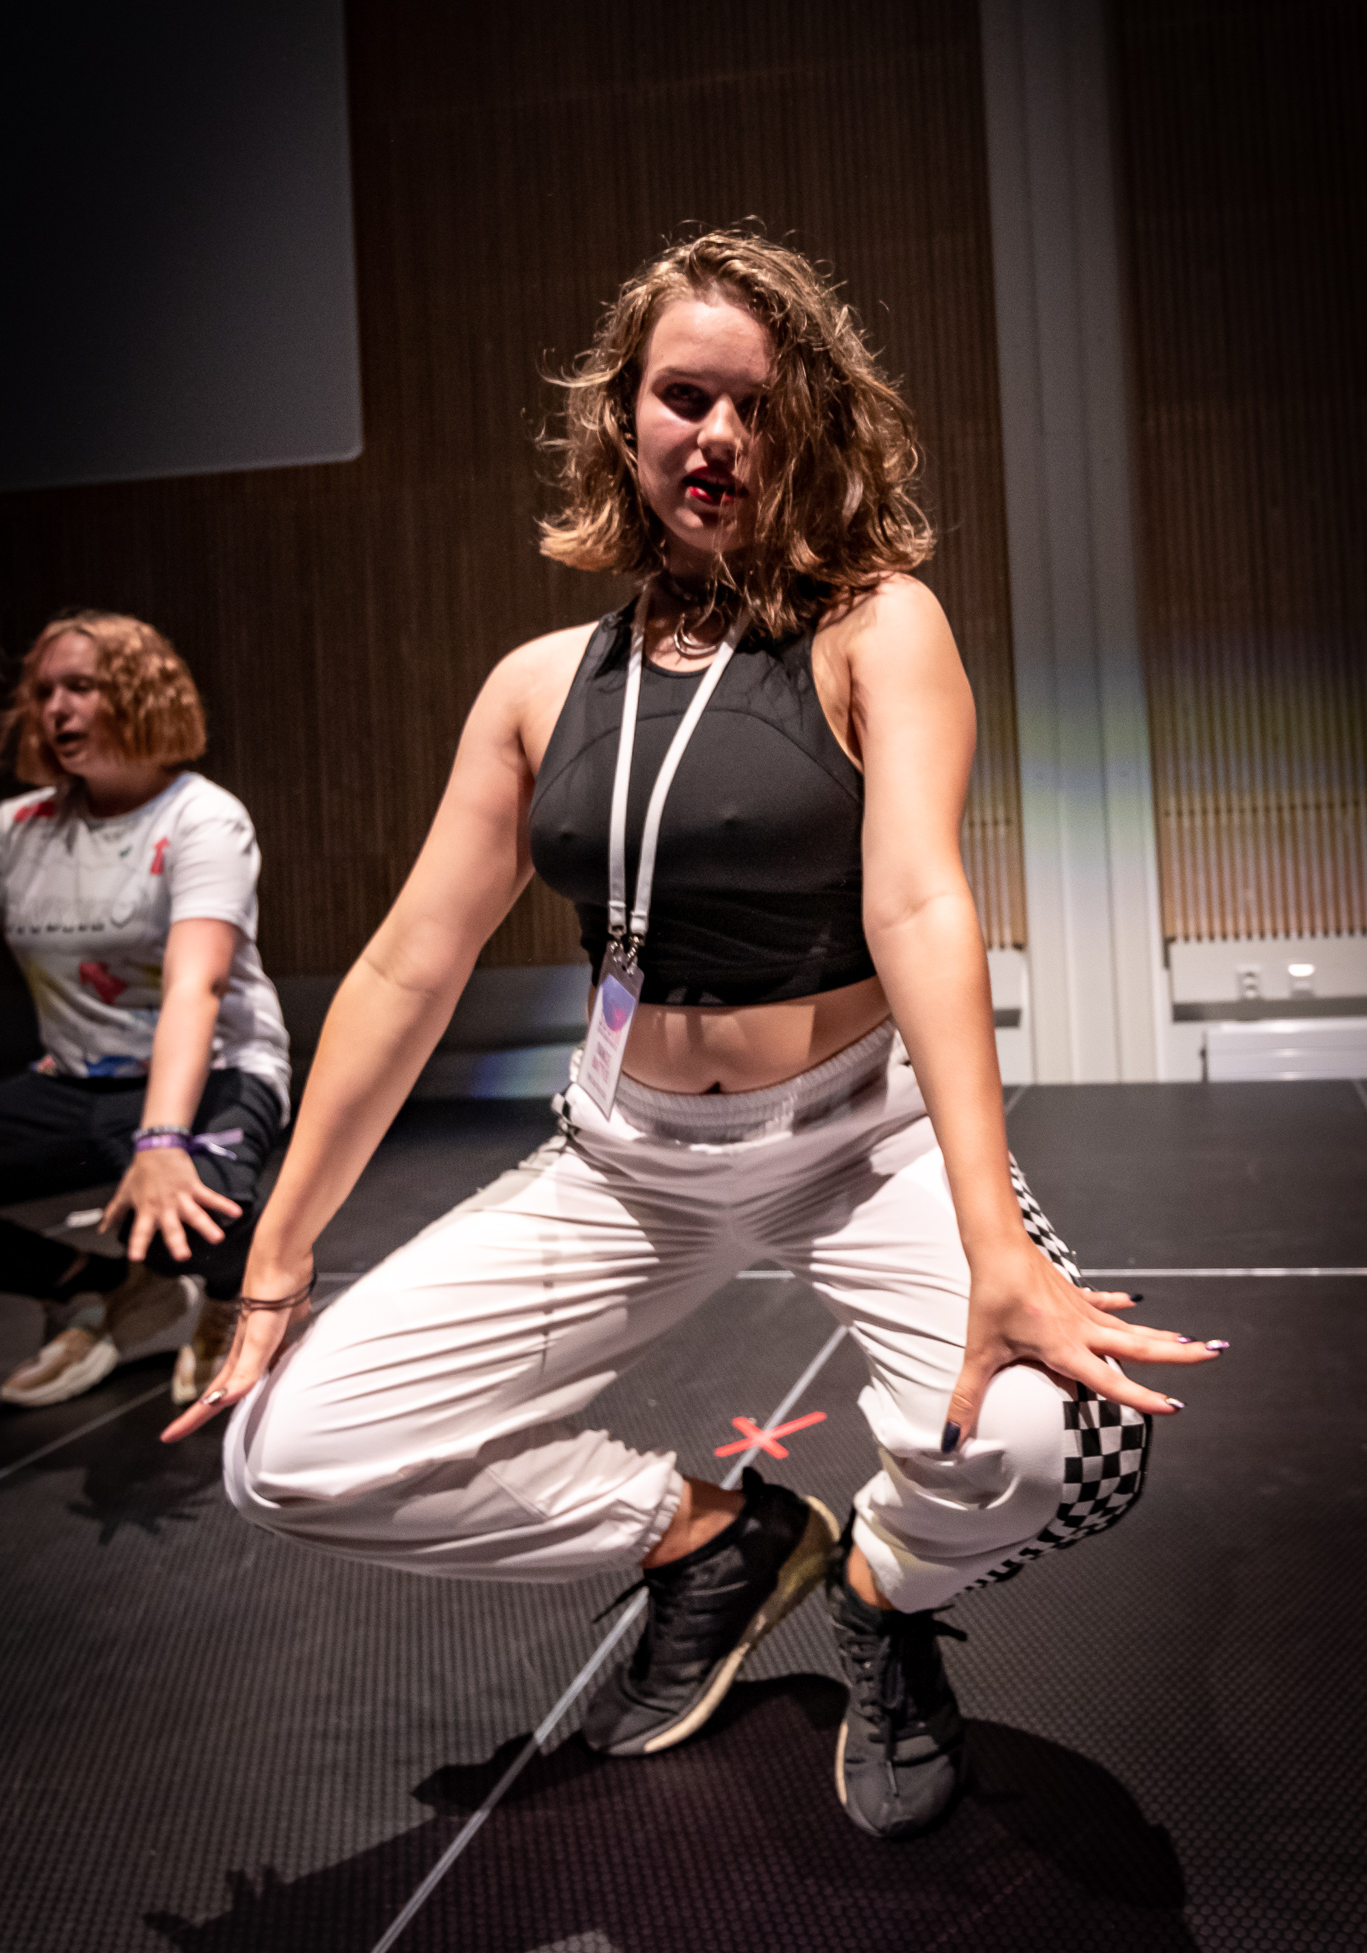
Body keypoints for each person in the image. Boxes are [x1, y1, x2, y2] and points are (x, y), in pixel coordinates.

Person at [166, 232, 1222, 1839]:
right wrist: (278, 1253)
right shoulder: (536, 684)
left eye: (757, 403)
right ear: (623, 417)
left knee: (1047, 1440)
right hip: (627, 1160)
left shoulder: (879, 629)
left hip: (849, 1146)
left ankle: (879, 1589)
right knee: (289, 1457)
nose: (717, 435)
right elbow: (404, 970)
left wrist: (994, 1235)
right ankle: (710, 1541)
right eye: (682, 397)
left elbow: (918, 906)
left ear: (813, 427)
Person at [0, 612, 290, 1408]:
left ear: (138, 694)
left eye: (81, 687)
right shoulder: (18, 831)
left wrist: (161, 1140)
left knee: (184, 1213)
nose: (56, 709)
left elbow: (196, 986)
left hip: (216, 1071)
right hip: (75, 1081)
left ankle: (232, 1292)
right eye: (44, 692)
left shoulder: (201, 818)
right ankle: (93, 1285)